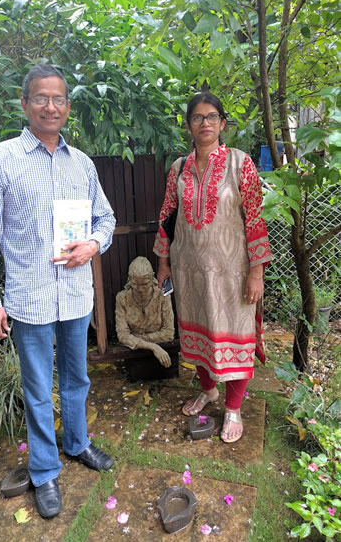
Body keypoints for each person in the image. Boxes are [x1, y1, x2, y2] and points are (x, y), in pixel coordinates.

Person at [0, 64, 116, 518]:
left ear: (68, 106)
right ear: (25, 103)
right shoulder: (1, 160)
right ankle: (45, 470)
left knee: (77, 378)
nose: (50, 107)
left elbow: (105, 218)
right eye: (41, 98)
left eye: (58, 99)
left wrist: (92, 244)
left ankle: (77, 443)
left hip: (75, 295)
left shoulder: (82, 163)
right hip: (29, 298)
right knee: (36, 389)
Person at [154, 92, 272, 444]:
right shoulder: (178, 168)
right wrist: (164, 262)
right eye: (197, 117)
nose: (204, 123)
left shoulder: (240, 163)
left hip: (233, 273)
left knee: (235, 335)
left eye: (211, 117)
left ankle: (233, 408)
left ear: (222, 123)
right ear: (189, 125)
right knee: (198, 333)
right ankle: (208, 391)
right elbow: (167, 218)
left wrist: (256, 273)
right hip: (189, 271)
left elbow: (255, 219)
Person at [115, 256, 175, 367]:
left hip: (164, 352)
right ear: (129, 280)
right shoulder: (122, 298)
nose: (140, 289)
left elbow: (169, 333)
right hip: (135, 356)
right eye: (135, 284)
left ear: (152, 279)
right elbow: (123, 335)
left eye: (145, 284)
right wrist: (153, 347)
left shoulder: (162, 295)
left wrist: (135, 339)